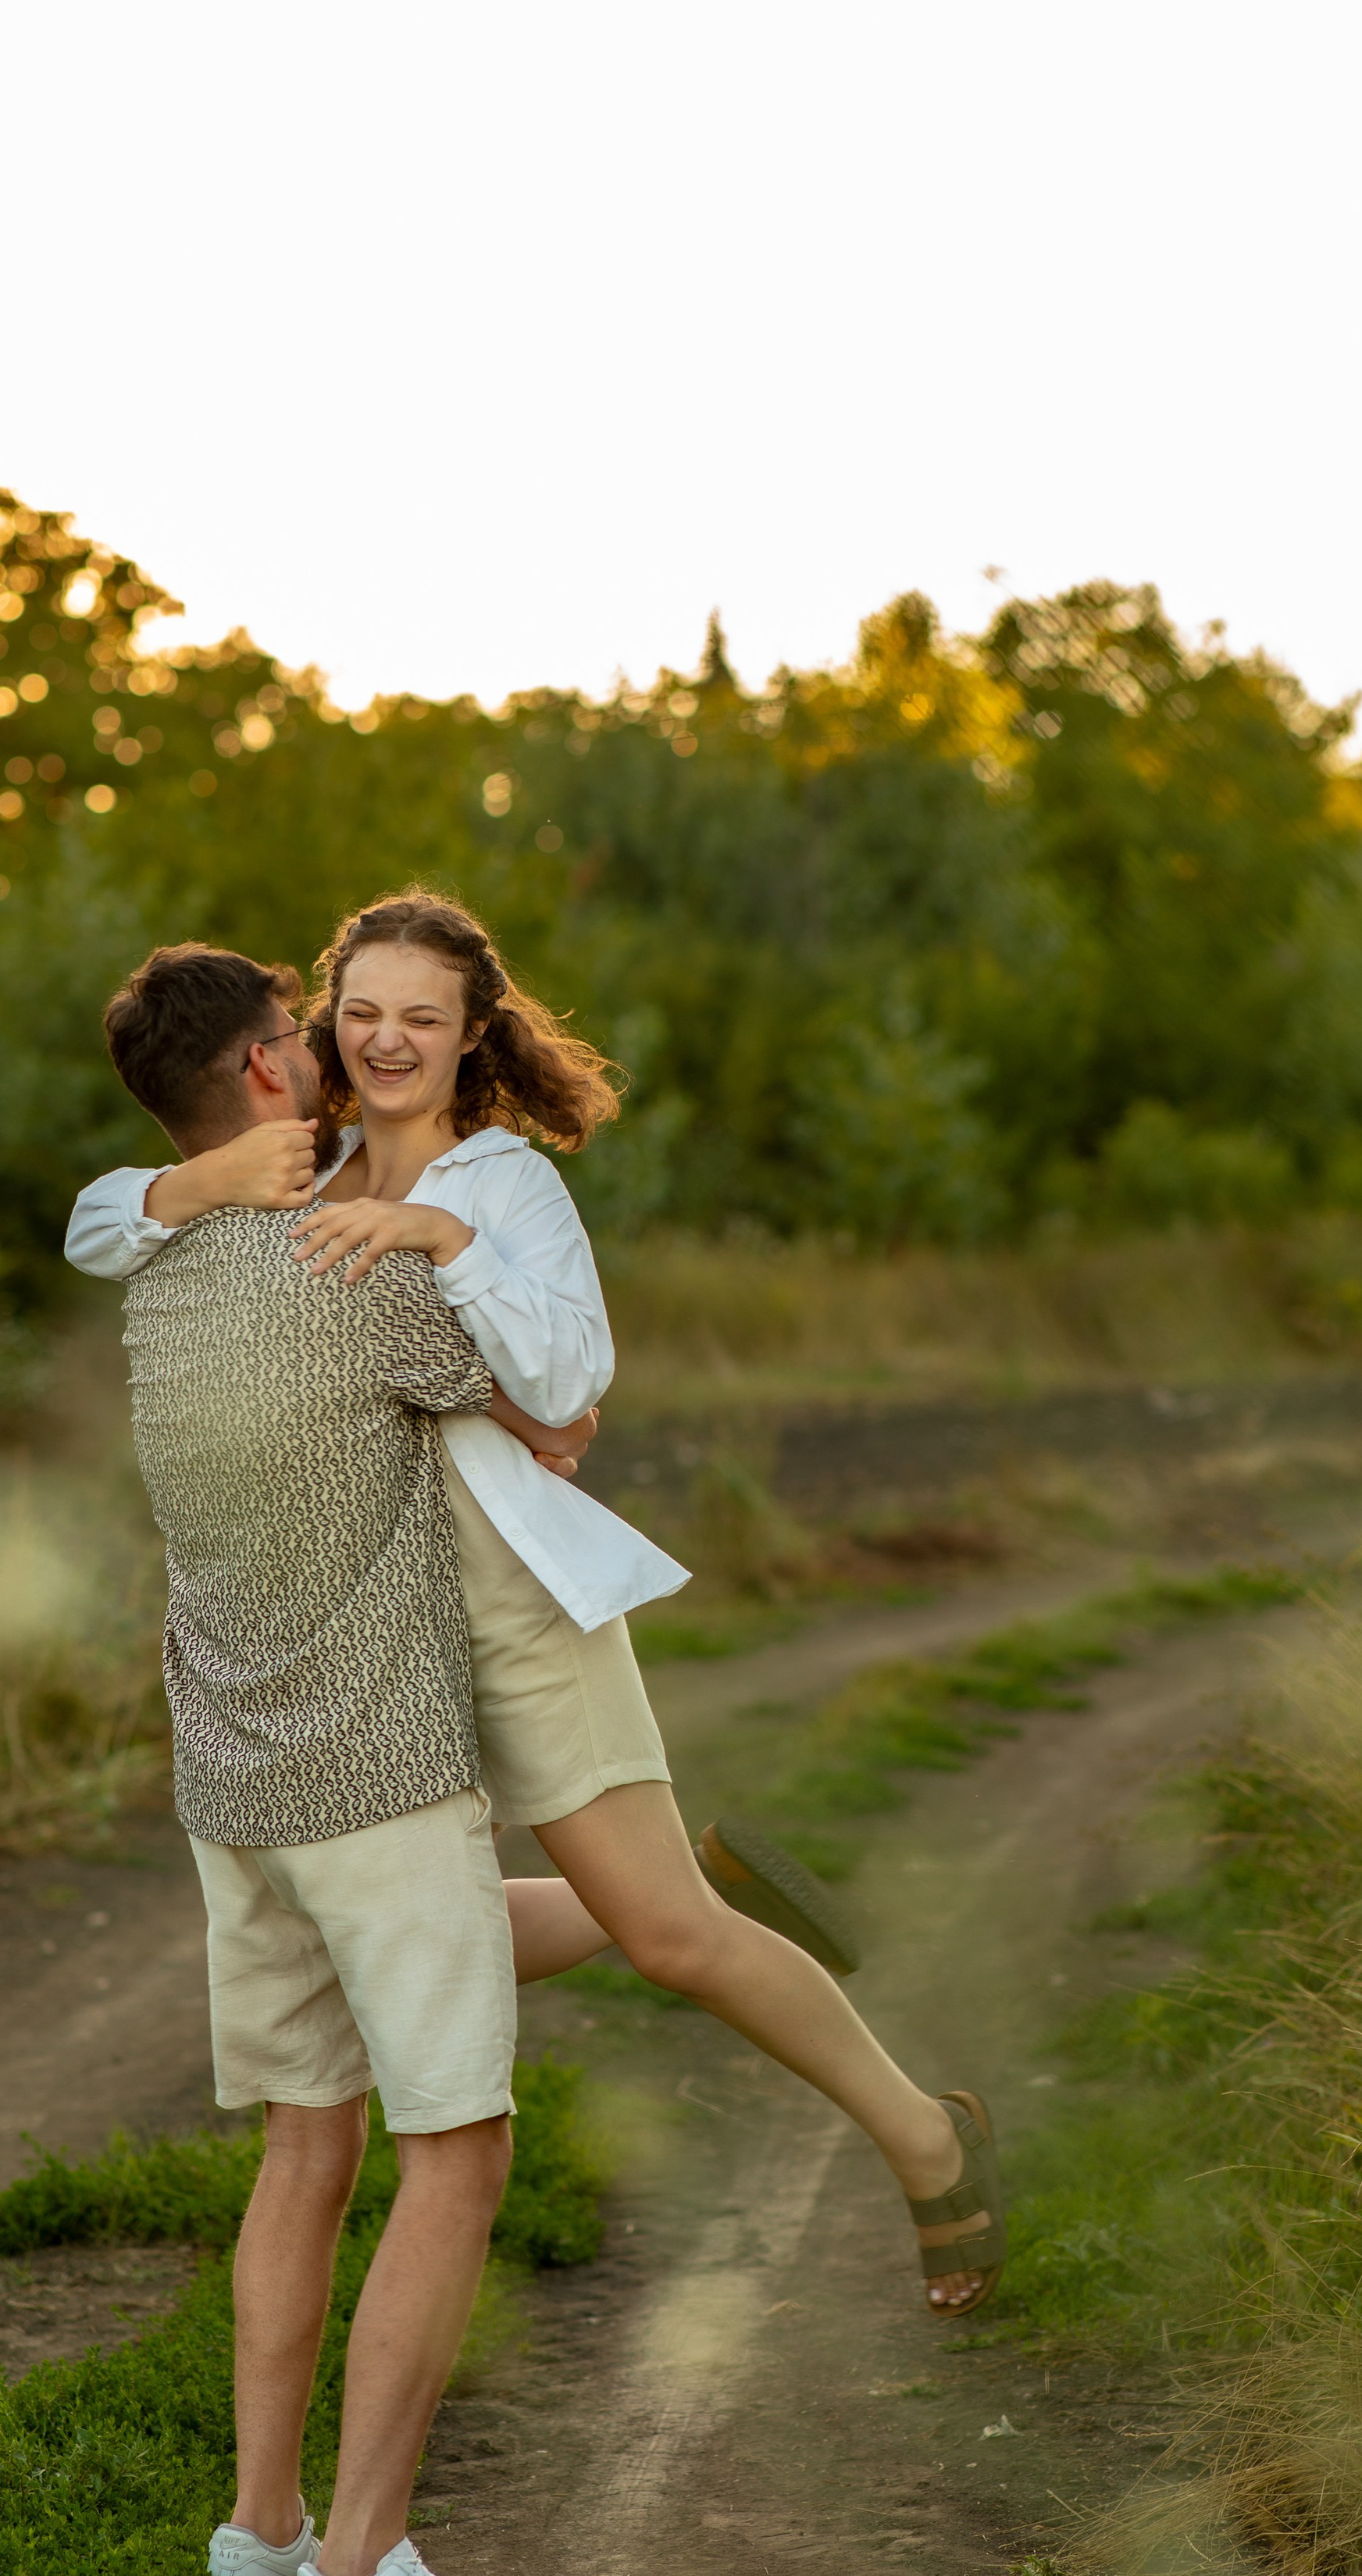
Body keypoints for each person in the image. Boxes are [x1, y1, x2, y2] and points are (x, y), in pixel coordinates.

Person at [72, 908, 1004, 2319]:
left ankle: (931, 2140)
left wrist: (441, 1236)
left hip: (507, 1601)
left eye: (423, 1018)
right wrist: (195, 1183)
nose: (388, 1041)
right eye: (362, 1012)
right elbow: (94, 1227)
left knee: (670, 1943)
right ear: (319, 1026)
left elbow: (570, 1387)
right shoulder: (292, 1163)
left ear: (471, 1037)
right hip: (369, 1625)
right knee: (383, 1932)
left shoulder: (506, 1185)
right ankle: (683, 1880)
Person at [102, 944, 570, 2576]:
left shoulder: (152, 1274)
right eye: (305, 1036)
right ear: (263, 1077)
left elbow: (119, 1215)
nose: (334, 1048)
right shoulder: (347, 1266)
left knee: (307, 2146)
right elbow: (557, 1403)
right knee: (459, 2146)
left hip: (233, 1786)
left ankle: (260, 2537)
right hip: (374, 1775)